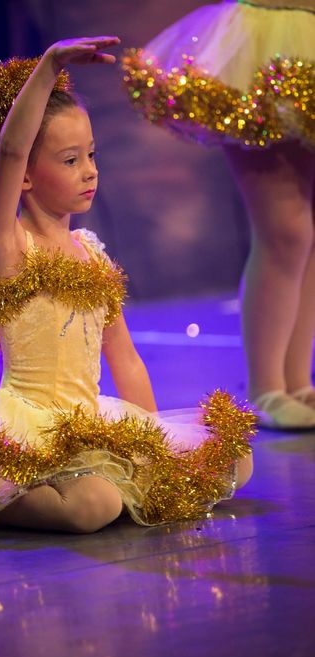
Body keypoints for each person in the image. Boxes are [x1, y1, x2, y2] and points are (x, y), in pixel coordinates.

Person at [0, 37, 254, 536]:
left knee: (235, 461)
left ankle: (102, 484)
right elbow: (11, 150)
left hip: (91, 421)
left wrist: (154, 448)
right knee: (93, 506)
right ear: (25, 177)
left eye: (91, 154)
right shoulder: (8, 247)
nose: (89, 170)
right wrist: (49, 67)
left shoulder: (91, 253)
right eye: (70, 160)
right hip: (30, 428)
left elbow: (125, 359)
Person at [122, 0, 315, 430]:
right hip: (267, 35)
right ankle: (268, 386)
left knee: (307, 231)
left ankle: (298, 381)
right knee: (286, 229)